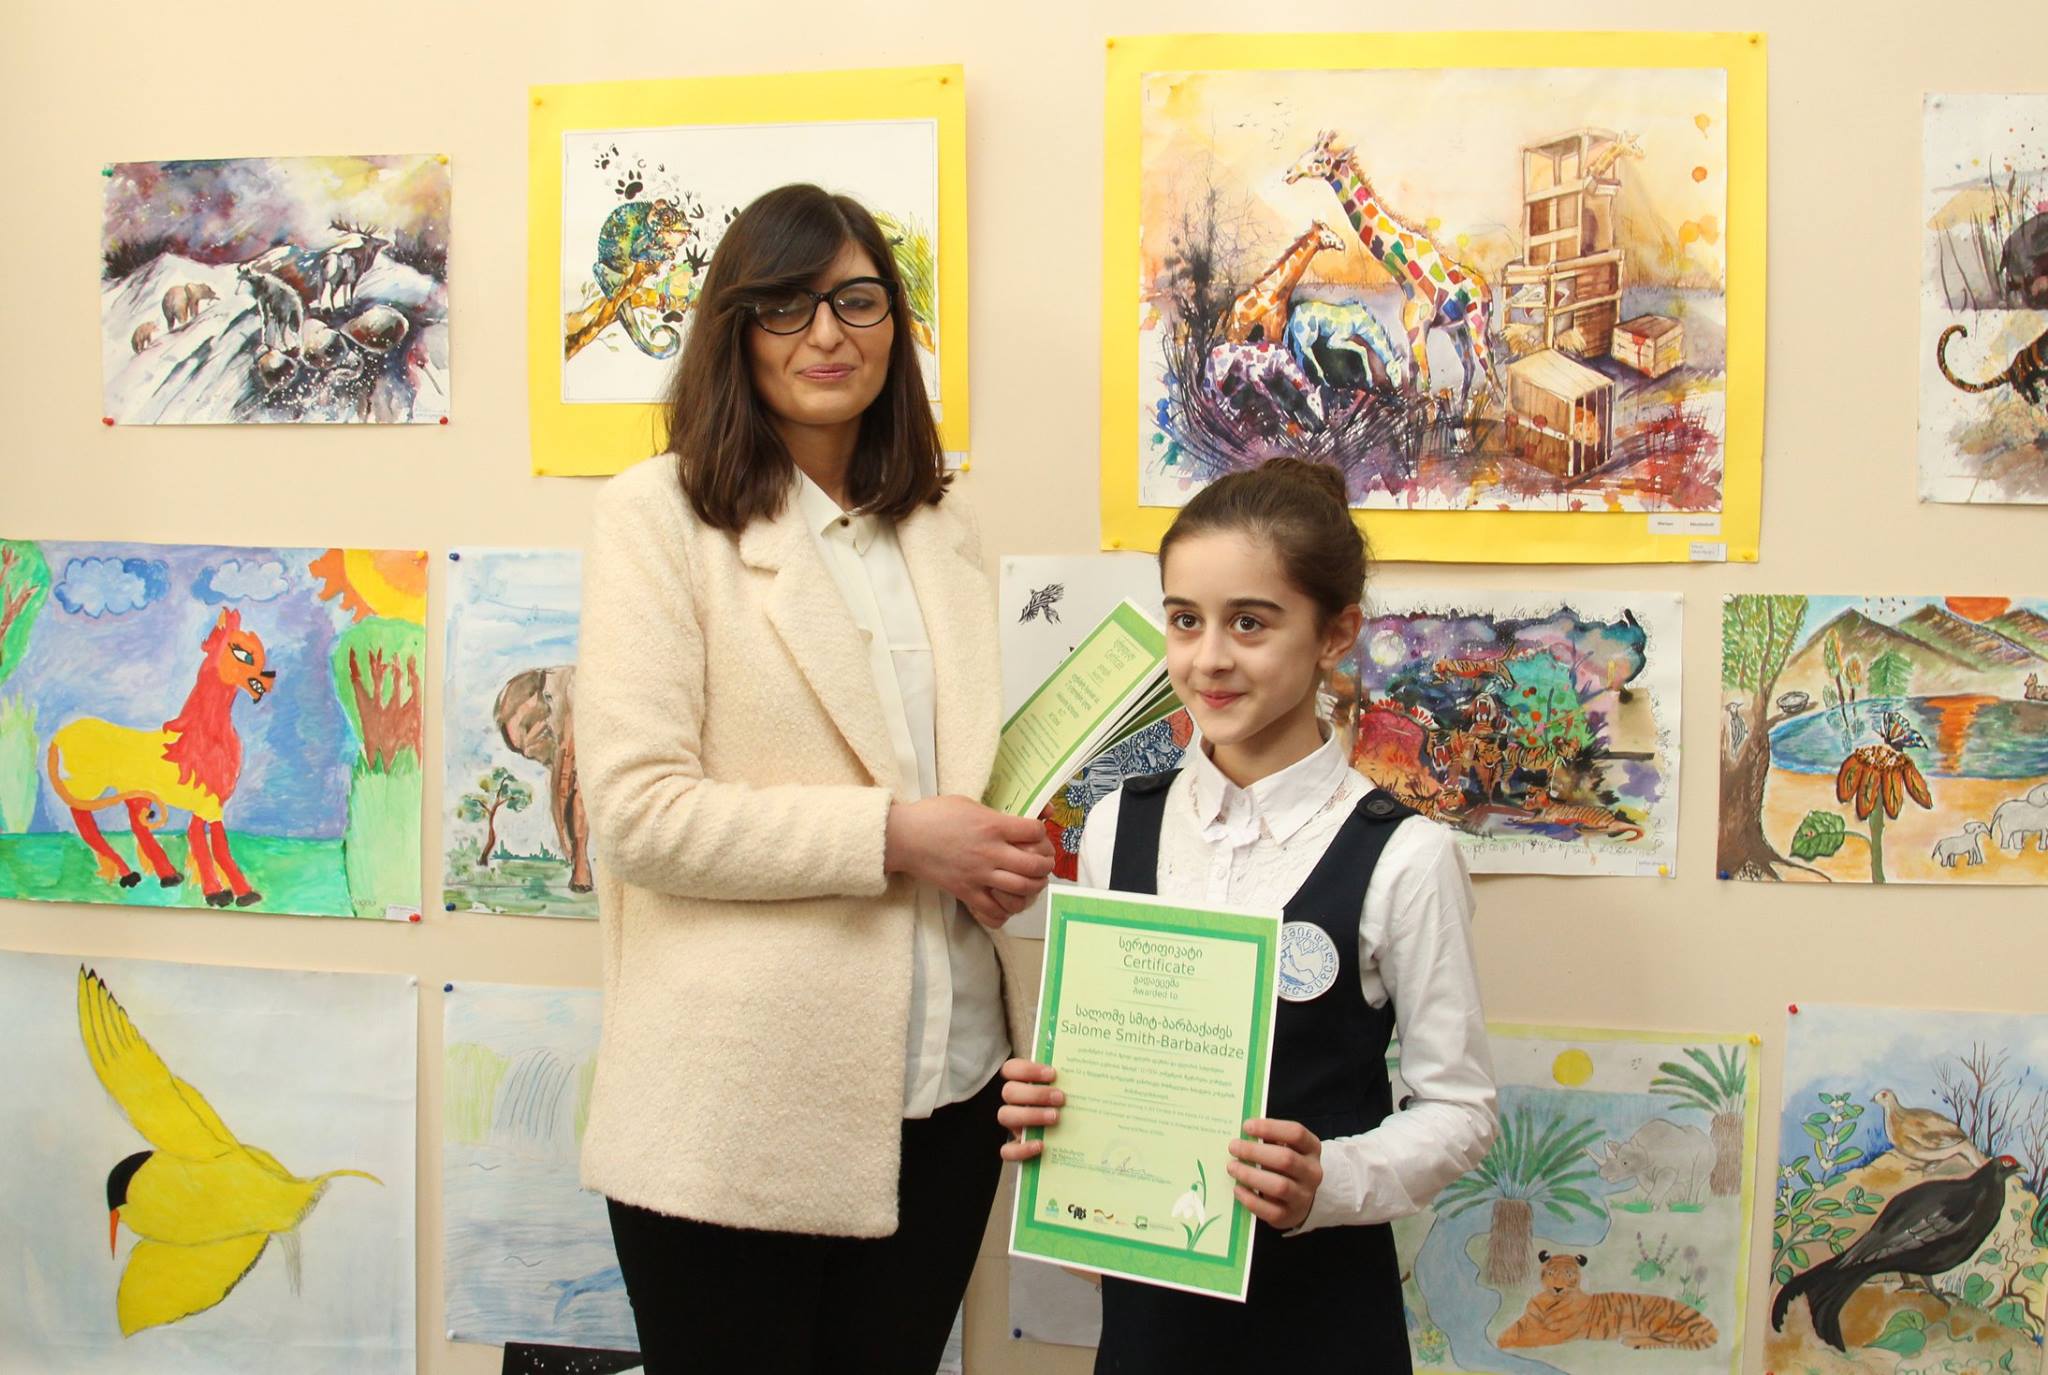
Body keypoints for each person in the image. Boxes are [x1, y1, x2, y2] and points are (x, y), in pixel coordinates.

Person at [575, 183, 1055, 1374]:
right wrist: (897, 836)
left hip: (952, 1092)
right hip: (738, 1109)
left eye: (856, 301)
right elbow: (637, 816)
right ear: (733, 330)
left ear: (895, 323)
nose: (827, 335)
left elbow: (965, 783)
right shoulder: (656, 515)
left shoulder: (940, 525)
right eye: (785, 306)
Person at [998, 458, 1498, 1372]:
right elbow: (1105, 1059)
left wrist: (1330, 1180)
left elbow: (1461, 1110)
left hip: (1321, 1316)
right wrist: (1053, 1102)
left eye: (1251, 622)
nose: (1209, 659)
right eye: (1185, 619)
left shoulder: (1405, 856)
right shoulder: (1117, 825)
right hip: (1151, 1322)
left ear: (1335, 633)